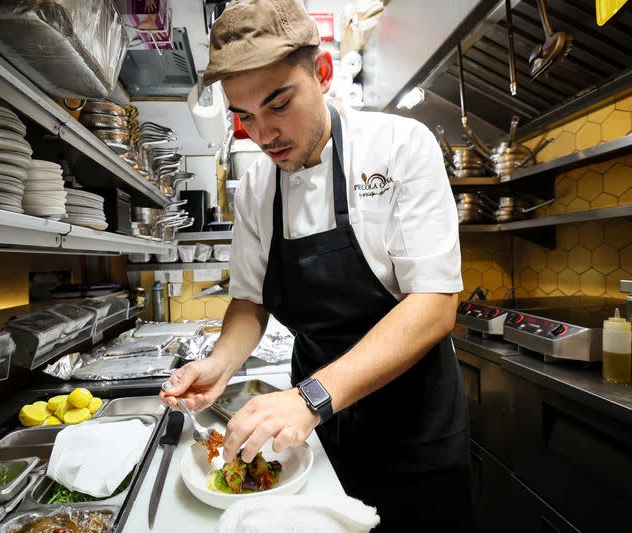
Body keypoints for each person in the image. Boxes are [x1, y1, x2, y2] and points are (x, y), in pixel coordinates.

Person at [160, 0, 471, 529]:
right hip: (314, 433)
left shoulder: (399, 147)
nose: (264, 135)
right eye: (245, 117)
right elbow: (250, 301)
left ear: (322, 73)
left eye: (278, 104)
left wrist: (312, 396)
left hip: (413, 427)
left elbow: (435, 304)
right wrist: (221, 363)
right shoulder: (258, 185)